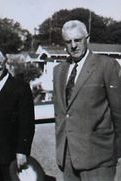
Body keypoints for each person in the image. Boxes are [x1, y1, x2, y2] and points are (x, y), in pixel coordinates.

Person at [53, 20, 121, 181]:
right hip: (68, 158)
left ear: (87, 39)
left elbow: (119, 113)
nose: (74, 45)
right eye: (68, 42)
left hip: (99, 158)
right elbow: (61, 114)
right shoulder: (58, 71)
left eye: (78, 40)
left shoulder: (107, 65)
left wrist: (117, 154)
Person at [0, 49, 35, 181]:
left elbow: (27, 123)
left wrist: (22, 151)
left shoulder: (20, 87)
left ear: (5, 62)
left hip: (11, 155)